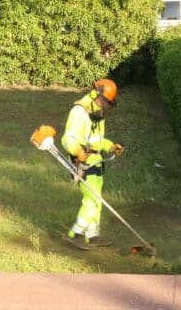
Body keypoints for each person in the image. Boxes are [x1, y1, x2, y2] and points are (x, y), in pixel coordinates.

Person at [61, 79, 124, 250]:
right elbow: (67, 139)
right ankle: (74, 235)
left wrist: (111, 146)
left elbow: (98, 140)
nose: (107, 106)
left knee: (97, 200)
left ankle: (93, 236)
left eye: (109, 103)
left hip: (96, 162)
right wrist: (78, 151)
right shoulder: (79, 112)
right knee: (91, 200)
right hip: (82, 163)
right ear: (96, 93)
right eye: (106, 101)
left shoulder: (98, 113)